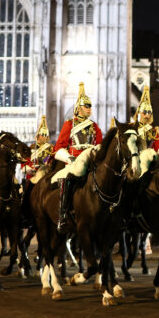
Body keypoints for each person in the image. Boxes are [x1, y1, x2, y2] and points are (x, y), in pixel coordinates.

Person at [52, 83, 103, 234]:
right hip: (73, 160)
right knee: (66, 178)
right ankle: (62, 215)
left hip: (91, 160)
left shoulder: (94, 126)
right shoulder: (69, 124)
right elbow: (59, 147)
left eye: (90, 106)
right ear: (79, 108)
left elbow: (99, 144)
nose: (89, 109)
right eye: (86, 106)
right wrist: (69, 158)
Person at [125, 85, 159, 179]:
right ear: (139, 113)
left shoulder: (153, 130)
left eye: (149, 113)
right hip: (134, 161)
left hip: (150, 162)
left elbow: (158, 146)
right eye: (144, 113)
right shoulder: (132, 129)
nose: (147, 116)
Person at [23, 115, 53, 184]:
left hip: (47, 174)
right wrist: (28, 169)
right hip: (32, 174)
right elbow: (25, 162)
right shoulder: (31, 147)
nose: (44, 138)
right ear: (38, 135)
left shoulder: (51, 148)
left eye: (46, 136)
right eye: (42, 135)